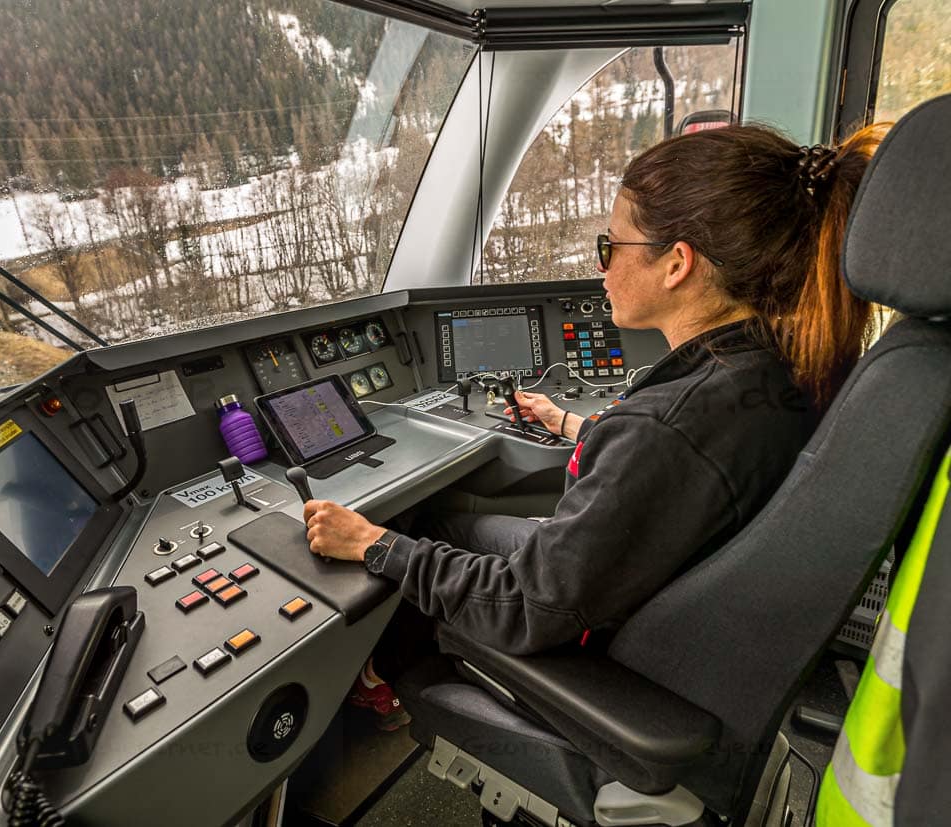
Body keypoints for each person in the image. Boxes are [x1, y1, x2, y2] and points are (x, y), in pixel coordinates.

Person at [312, 123, 889, 726]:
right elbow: (669, 476)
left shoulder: (667, 428)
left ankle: (399, 682)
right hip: (666, 604)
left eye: (611, 246)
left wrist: (371, 544)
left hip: (618, 657)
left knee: (407, 535)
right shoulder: (780, 363)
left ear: (677, 265)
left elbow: (520, 606)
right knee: (441, 524)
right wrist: (568, 422)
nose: (603, 267)